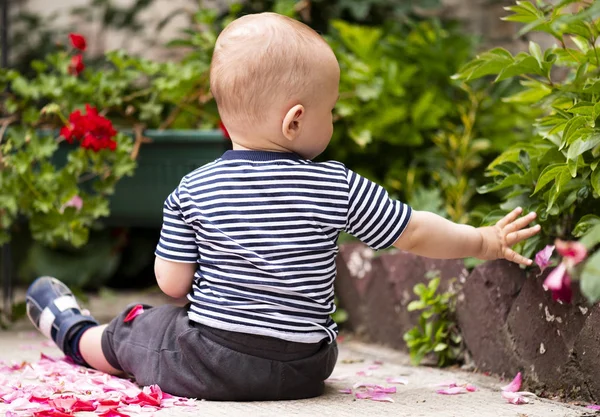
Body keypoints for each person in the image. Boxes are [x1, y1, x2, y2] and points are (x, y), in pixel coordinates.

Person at [25, 12, 540, 401]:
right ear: (294, 121)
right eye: (331, 111)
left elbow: (173, 283)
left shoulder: (194, 188)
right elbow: (415, 231)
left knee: (142, 328)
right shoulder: (337, 185)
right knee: (187, 327)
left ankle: (77, 335)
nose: (333, 122)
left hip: (213, 364)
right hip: (307, 367)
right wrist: (483, 239)